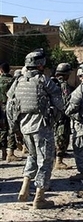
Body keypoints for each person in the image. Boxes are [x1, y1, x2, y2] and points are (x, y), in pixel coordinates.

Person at [6, 50, 64, 209]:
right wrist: (55, 119)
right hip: (41, 126)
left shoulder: (18, 81)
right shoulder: (44, 80)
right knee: (45, 161)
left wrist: (14, 128)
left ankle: (24, 188)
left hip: (24, 126)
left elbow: (10, 103)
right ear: (40, 64)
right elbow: (60, 103)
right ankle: (39, 198)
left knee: (32, 156)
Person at [51, 63, 74, 169]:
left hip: (52, 115)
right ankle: (58, 162)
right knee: (62, 137)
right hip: (61, 115)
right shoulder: (63, 84)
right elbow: (66, 100)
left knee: (54, 137)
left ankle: (55, 158)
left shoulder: (50, 82)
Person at [0, 62, 23, 162]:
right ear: (9, 70)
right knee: (11, 129)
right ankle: (11, 153)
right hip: (11, 108)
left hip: (0, 108)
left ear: (1, 70)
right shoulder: (13, 81)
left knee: (2, 130)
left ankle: (3, 153)